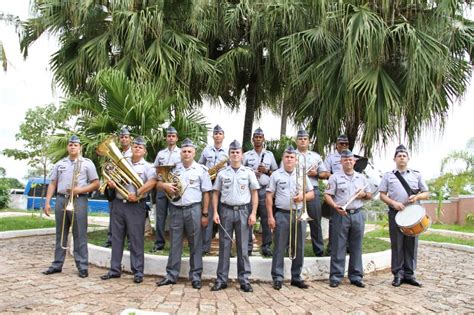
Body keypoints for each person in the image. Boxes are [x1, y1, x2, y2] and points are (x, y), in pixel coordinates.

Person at [100, 137, 158, 283]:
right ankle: (114, 270)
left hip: (136, 206)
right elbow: (112, 178)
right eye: (135, 146)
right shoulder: (122, 163)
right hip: (119, 203)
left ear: (144, 151)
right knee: (116, 238)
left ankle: (138, 271)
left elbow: (152, 182)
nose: (137, 148)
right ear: (131, 148)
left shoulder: (148, 167)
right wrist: (111, 184)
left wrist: (138, 193)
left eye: (140, 147)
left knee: (136, 239)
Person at [156, 138, 212, 289]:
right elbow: (157, 183)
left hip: (194, 209)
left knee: (196, 244)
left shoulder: (201, 170)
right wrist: (165, 185)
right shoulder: (173, 168)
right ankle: (171, 275)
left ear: (194, 153)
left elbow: (206, 193)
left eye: (189, 151)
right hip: (175, 209)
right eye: (184, 151)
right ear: (180, 153)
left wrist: (205, 214)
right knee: (175, 243)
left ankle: (195, 276)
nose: (186, 154)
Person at [42, 135, 100, 278]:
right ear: (68, 147)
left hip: (79, 200)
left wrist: (80, 190)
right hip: (62, 199)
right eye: (70, 144)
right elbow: (53, 183)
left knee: (80, 233)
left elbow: (96, 183)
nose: (72, 146)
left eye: (75, 145)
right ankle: (57, 264)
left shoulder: (87, 163)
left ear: (80, 147)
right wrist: (47, 202)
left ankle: (82, 266)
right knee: (60, 233)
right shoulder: (59, 164)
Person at [211, 140, 259, 292]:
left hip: (243, 211)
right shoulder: (222, 173)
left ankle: (244, 280)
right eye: (232, 152)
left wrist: (253, 213)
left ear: (242, 154)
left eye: (237, 152)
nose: (235, 155)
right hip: (225, 211)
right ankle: (221, 279)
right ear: (229, 154)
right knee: (224, 246)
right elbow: (216, 193)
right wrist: (216, 212)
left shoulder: (249, 173)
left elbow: (254, 194)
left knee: (243, 246)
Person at [379, 145, 429, 287]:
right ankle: (398, 274)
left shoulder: (416, 174)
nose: (402, 157)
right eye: (399, 155)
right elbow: (382, 195)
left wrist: (417, 196)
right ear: (394, 159)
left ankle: (409, 274)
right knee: (397, 244)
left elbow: (426, 193)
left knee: (411, 244)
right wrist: (394, 203)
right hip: (396, 213)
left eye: (404, 155)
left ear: (408, 158)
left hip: (413, 213)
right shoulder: (388, 175)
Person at [267, 146, 314, 290]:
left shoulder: (302, 175)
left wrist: (302, 197)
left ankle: (296, 277)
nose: (289, 159)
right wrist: (270, 216)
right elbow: (269, 196)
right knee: (279, 247)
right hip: (282, 213)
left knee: (299, 246)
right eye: (286, 157)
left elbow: (312, 194)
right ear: (283, 158)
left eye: (292, 157)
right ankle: (277, 277)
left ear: (295, 159)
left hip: (299, 214)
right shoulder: (276, 175)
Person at [324, 149, 372, 288]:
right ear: (341, 162)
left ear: (354, 161)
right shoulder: (335, 178)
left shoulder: (361, 178)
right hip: (341, 214)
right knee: (338, 246)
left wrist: (363, 194)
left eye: (350, 159)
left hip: (357, 214)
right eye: (345, 160)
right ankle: (336, 276)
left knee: (356, 246)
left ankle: (356, 276)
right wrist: (334, 206)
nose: (348, 162)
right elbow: (327, 195)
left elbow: (369, 195)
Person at [243, 127, 278, 257]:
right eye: (256, 137)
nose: (258, 139)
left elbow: (275, 172)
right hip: (250, 191)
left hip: (264, 190)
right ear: (253, 140)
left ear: (263, 139)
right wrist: (252, 172)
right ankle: (248, 247)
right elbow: (241, 170)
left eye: (260, 137)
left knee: (266, 219)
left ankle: (266, 246)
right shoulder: (246, 155)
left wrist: (266, 171)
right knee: (249, 219)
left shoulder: (269, 155)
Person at [295, 130, 330, 257]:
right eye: (300, 138)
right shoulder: (290, 155)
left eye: (305, 138)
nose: (303, 140)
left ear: (309, 141)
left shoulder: (316, 157)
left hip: (313, 191)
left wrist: (316, 174)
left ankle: (319, 251)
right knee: (294, 223)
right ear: (296, 141)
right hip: (296, 191)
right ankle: (293, 249)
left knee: (315, 222)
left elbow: (325, 174)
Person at [198, 124, 229, 254]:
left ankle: (226, 249)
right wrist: (208, 171)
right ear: (213, 136)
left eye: (220, 133)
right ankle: (205, 247)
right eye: (215, 134)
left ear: (223, 136)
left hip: (224, 187)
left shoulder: (228, 151)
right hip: (210, 186)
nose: (218, 136)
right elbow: (200, 165)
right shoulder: (206, 150)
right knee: (209, 215)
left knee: (225, 218)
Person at [152, 126, 181, 251]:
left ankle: (174, 244)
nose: (170, 138)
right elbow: (155, 169)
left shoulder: (181, 153)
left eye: (173, 136)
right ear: (166, 138)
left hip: (174, 189)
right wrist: (159, 175)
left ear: (177, 138)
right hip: (162, 188)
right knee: (160, 217)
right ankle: (159, 243)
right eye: (169, 136)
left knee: (175, 217)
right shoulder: (161, 154)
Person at [104, 127, 133, 248]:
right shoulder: (115, 153)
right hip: (116, 187)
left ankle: (131, 241)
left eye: (126, 137)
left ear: (130, 139)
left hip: (130, 188)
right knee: (113, 214)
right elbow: (109, 168)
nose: (124, 139)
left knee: (131, 218)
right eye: (122, 137)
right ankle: (111, 239)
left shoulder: (134, 153)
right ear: (119, 139)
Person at [323, 134, 350, 255]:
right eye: (341, 144)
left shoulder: (351, 157)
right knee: (334, 220)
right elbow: (325, 172)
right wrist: (336, 177)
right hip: (334, 191)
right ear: (336, 145)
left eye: (346, 144)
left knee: (350, 219)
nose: (344, 146)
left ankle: (347, 246)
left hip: (349, 192)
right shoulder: (331, 158)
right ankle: (331, 247)